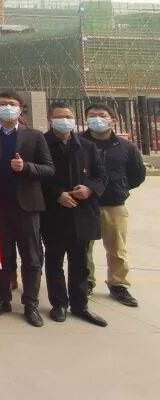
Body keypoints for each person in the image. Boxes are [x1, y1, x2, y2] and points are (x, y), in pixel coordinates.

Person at [0, 91, 54, 327]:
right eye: (2, 104)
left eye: (12, 104)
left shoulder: (34, 136)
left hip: (27, 206)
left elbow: (48, 168)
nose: (7, 108)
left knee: (31, 257)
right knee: (1, 257)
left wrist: (26, 167)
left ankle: (30, 303)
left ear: (20, 109)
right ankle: (2, 298)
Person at [42, 102, 108, 327]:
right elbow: (37, 178)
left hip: (82, 213)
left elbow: (101, 176)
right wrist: (57, 194)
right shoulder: (41, 144)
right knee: (54, 261)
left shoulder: (87, 146)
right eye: (59, 117)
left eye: (68, 117)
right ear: (50, 120)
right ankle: (59, 303)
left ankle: (80, 305)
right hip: (54, 214)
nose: (65, 121)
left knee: (80, 262)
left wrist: (89, 189)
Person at [83, 103, 146, 307]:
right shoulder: (79, 143)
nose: (97, 119)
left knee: (117, 249)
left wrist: (121, 188)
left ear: (113, 120)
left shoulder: (126, 147)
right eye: (92, 115)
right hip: (85, 204)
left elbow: (137, 175)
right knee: (84, 248)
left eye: (102, 115)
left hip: (114, 205)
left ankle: (118, 284)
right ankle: (86, 281)